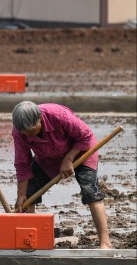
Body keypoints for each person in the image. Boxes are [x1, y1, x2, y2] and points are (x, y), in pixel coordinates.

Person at [11, 101, 112, 249]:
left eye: (32, 131)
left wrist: (69, 158)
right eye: (25, 133)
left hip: (81, 152)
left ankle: (106, 242)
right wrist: (21, 195)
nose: (29, 135)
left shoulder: (58, 115)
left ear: (40, 118)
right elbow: (22, 163)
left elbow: (86, 136)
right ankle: (28, 242)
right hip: (48, 158)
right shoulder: (19, 133)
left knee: (90, 191)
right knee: (28, 195)